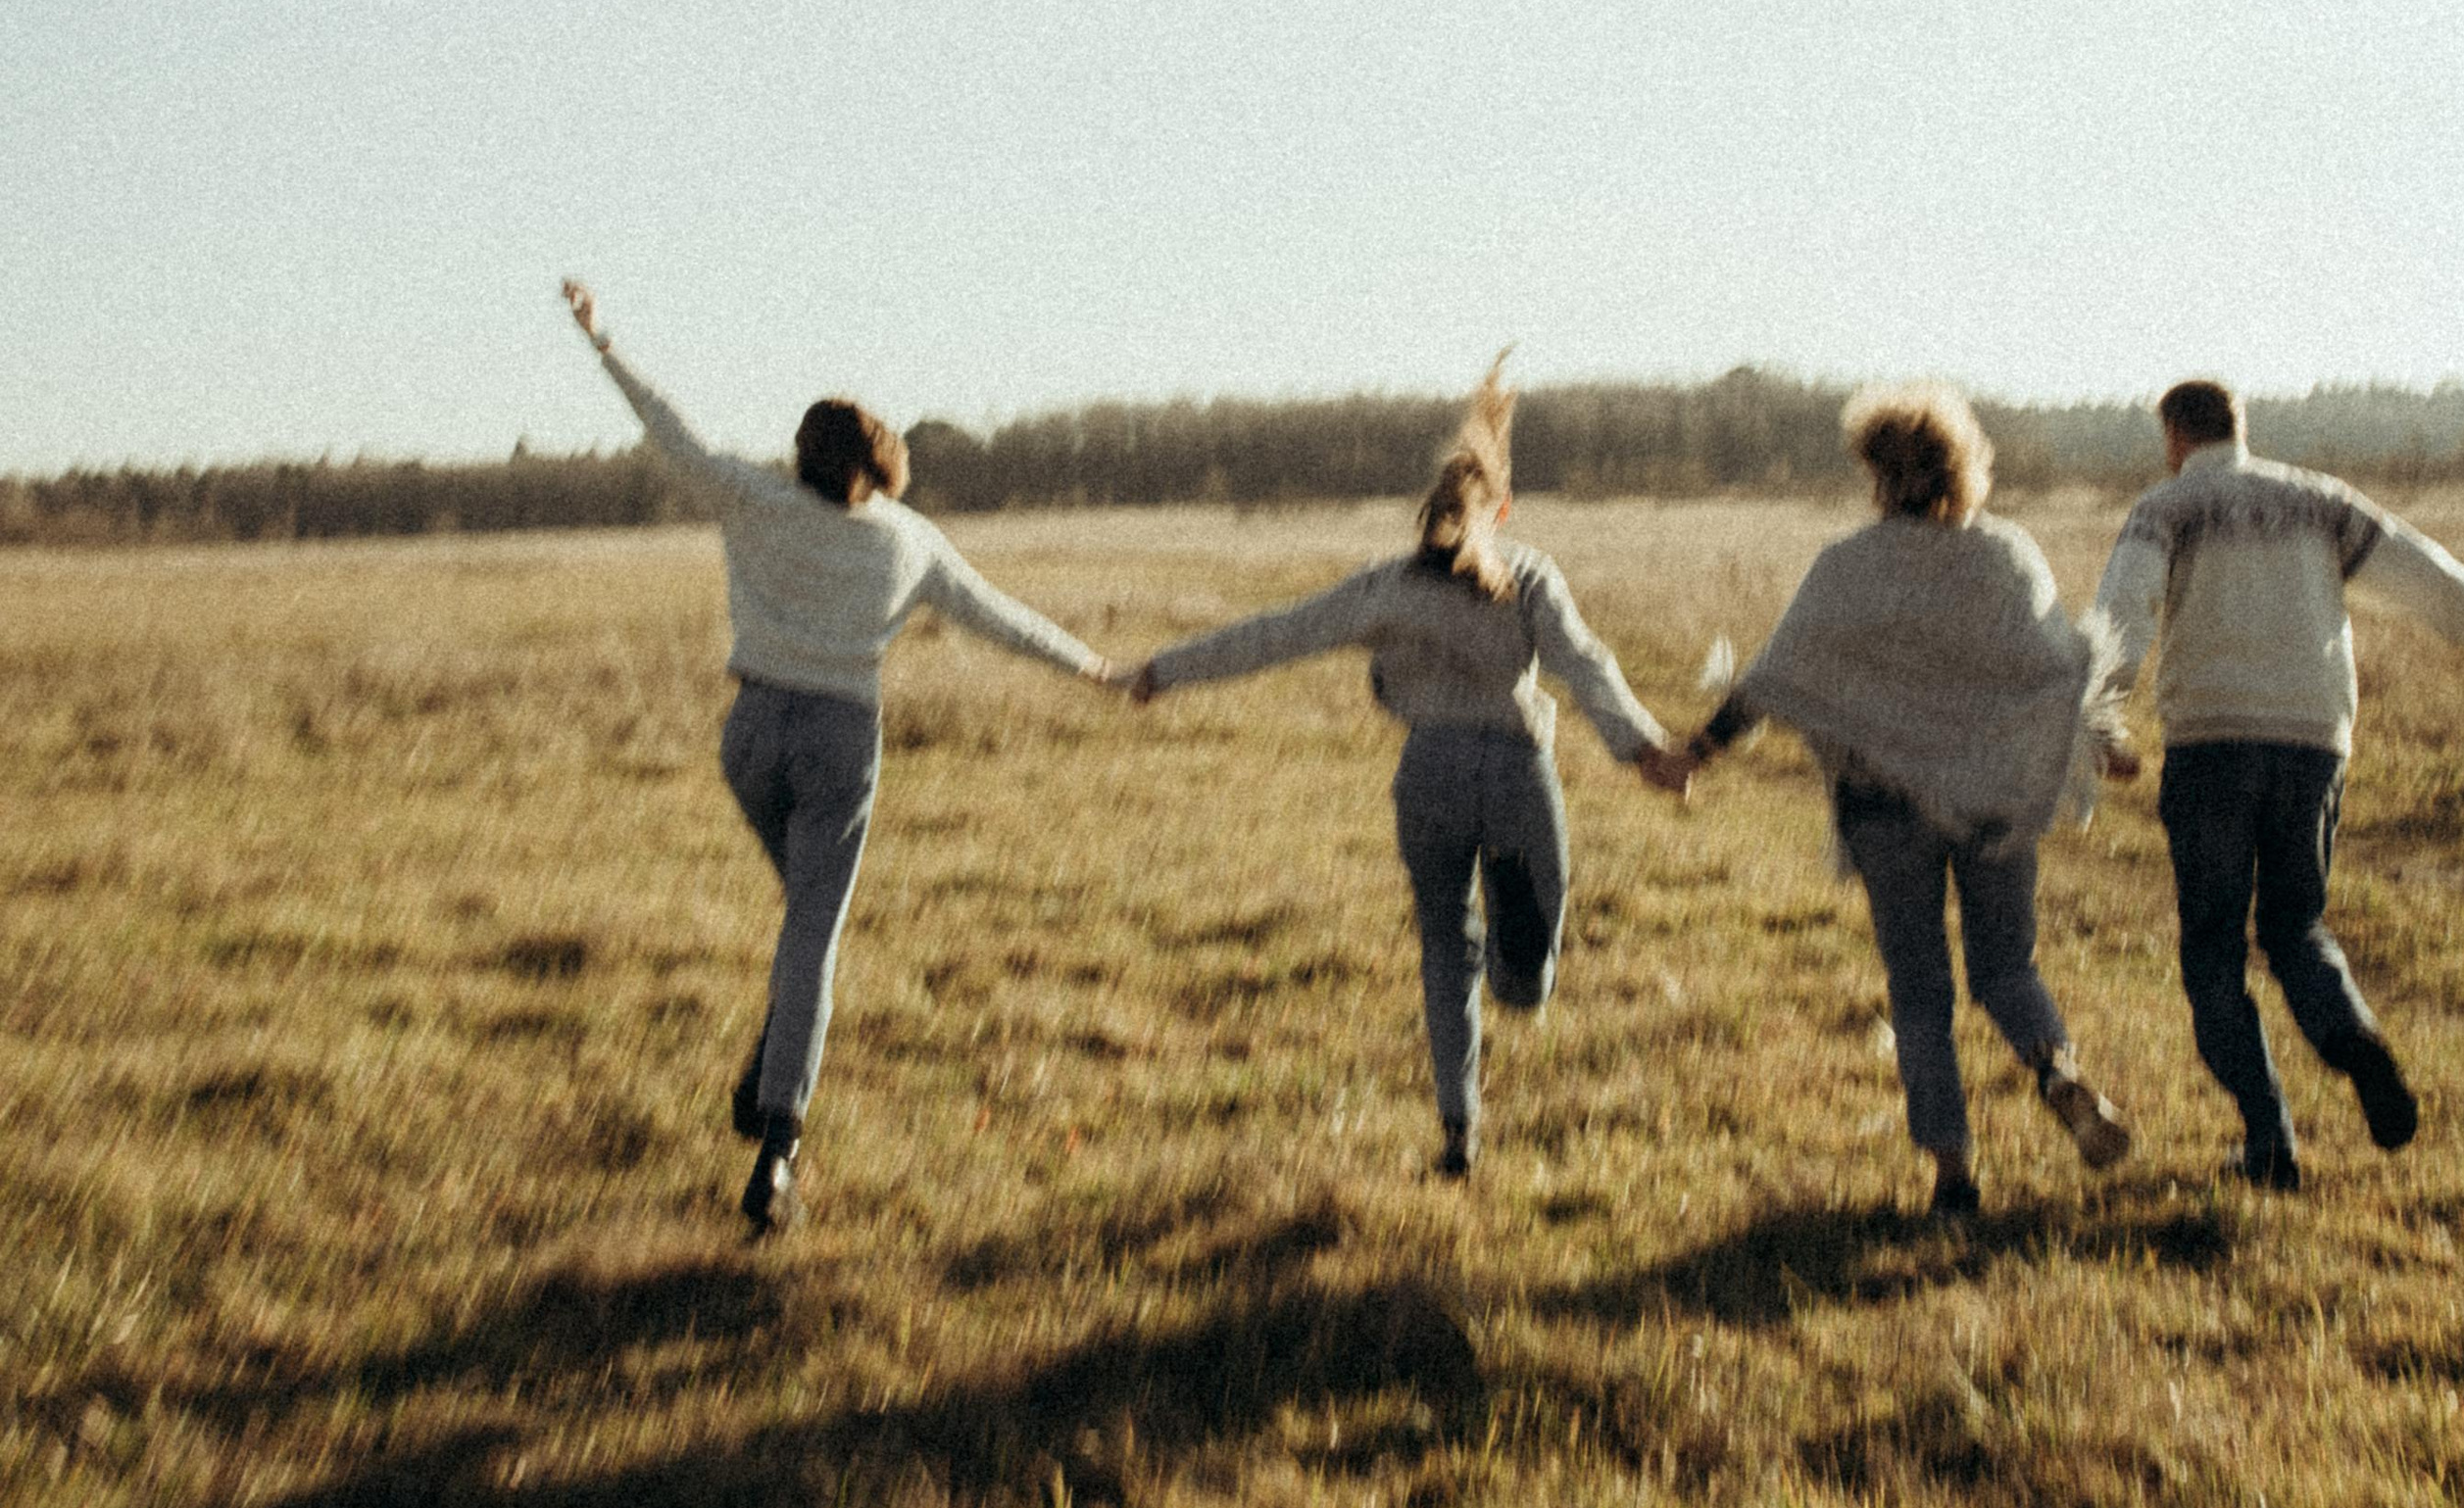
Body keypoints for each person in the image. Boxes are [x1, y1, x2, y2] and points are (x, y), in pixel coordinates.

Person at [564, 281, 1117, 1235]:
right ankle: (778, 1150)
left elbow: (670, 432)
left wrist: (601, 339)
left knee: (803, 924)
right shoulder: (909, 539)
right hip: (837, 740)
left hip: (750, 736)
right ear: (884, 466)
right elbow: (998, 617)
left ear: (801, 454)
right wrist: (1092, 667)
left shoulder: (752, 501)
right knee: (814, 935)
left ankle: (766, 1071)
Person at [1127, 362, 1685, 1175]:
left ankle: (1459, 1126)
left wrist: (1165, 670)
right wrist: (1644, 749)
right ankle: (1512, 982)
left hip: (1429, 773)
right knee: (1526, 977)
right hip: (1516, 772)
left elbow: (1276, 633)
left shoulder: (1385, 586)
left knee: (1444, 949)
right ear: (1502, 509)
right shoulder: (1529, 575)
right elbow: (1586, 664)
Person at [1681, 381, 2137, 1217]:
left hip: (1884, 807)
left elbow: (1776, 678)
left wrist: (1700, 750)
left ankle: (1953, 1175)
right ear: (1966, 465)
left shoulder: (1847, 567)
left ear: (1876, 473)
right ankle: (2057, 1073)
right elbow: (2058, 673)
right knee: (2006, 968)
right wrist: (2104, 743)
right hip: (1993, 799)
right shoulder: (2007, 555)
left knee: (1920, 990)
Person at [2090, 376, 2464, 1188]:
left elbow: (2123, 611)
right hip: (2314, 744)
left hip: (2211, 744)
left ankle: (2270, 1143)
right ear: (2240, 426)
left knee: (2214, 948)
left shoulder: (2167, 508)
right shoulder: (2321, 500)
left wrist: (2102, 719)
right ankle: (2353, 1038)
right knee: (2297, 927)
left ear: (2175, 435)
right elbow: (2427, 576)